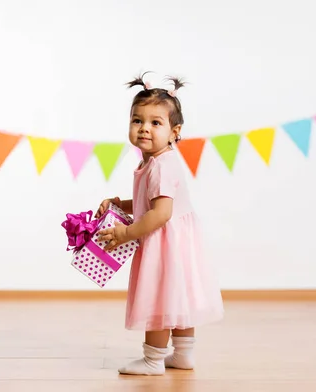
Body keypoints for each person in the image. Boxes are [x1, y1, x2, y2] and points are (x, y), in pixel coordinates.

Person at [95, 72, 224, 376]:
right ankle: (183, 354)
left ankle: (153, 359)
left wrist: (126, 232)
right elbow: (150, 201)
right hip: (178, 241)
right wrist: (120, 203)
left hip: (164, 240)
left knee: (159, 298)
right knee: (177, 296)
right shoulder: (154, 161)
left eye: (156, 123)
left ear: (174, 131)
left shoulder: (161, 166)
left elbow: (160, 213)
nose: (144, 129)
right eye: (137, 121)